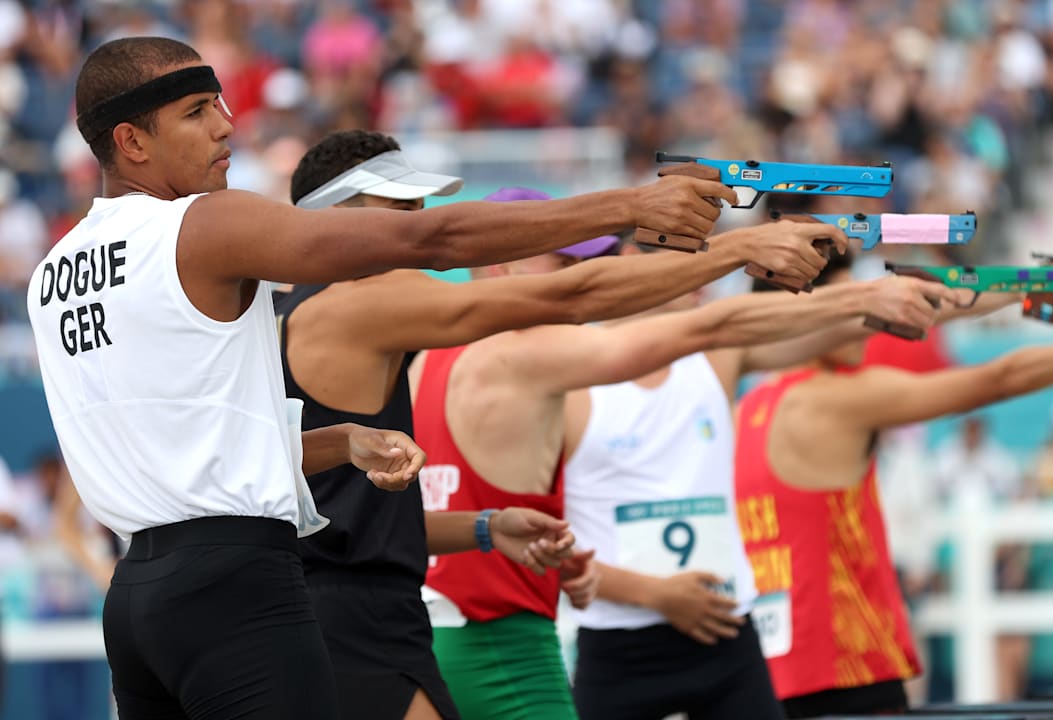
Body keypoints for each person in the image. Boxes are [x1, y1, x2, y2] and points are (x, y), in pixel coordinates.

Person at [23, 35, 730, 720]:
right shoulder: (202, 227)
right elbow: (437, 241)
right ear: (131, 142)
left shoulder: (53, 274)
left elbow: (186, 447)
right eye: (197, 111)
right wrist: (631, 206)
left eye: (221, 104)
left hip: (138, 601)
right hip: (242, 587)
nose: (225, 126)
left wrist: (342, 443)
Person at [279, 130, 840, 720]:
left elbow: (348, 518)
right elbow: (581, 300)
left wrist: (484, 528)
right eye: (401, 207)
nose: (417, 223)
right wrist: (736, 252)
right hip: (414, 629)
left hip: (371, 615)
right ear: (335, 216)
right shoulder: (363, 308)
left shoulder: (299, 311)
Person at [408, 237, 956, 720]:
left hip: (707, 631)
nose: (579, 280)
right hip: (550, 641)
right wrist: (653, 592)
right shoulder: (552, 368)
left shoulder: (436, 360)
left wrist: (1004, 292)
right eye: (571, 264)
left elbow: (494, 530)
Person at [561, 254, 1053, 720]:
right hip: (825, 663)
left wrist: (1029, 289)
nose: (696, 282)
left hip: (752, 652)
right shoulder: (787, 388)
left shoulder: (736, 393)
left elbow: (915, 308)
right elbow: (992, 375)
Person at [733, 268, 1053, 718]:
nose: (866, 325)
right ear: (802, 316)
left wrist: (1031, 285)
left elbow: (936, 305)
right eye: (851, 308)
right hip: (846, 670)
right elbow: (998, 379)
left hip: (766, 675)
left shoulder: (742, 411)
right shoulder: (833, 399)